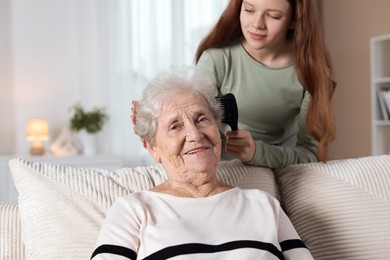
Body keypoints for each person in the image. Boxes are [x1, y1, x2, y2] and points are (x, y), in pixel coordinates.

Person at [91, 67, 313, 259]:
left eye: (202, 119)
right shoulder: (134, 210)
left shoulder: (264, 205)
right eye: (175, 126)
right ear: (152, 148)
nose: (195, 134)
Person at [193, 0, 336, 168]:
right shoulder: (216, 60)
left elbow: (311, 155)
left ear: (294, 20)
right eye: (249, 10)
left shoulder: (312, 73)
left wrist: (256, 152)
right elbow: (194, 129)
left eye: (273, 16)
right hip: (221, 164)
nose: (257, 24)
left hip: (282, 163)